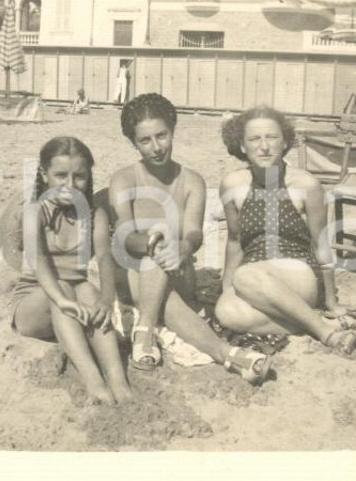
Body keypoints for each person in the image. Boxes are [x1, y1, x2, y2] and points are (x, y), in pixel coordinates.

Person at [108, 93, 272, 384]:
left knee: (164, 254)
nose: (156, 147)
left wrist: (182, 247)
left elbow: (194, 233)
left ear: (173, 131)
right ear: (133, 143)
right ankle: (227, 354)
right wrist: (151, 243)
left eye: (162, 136)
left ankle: (144, 328)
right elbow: (124, 236)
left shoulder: (191, 180)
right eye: (145, 141)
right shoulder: (125, 178)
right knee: (155, 250)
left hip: (177, 269)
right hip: (130, 272)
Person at [213, 106, 356, 356]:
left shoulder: (306, 184)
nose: (264, 146)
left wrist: (331, 302)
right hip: (256, 279)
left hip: (299, 273)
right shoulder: (232, 184)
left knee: (244, 276)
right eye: (254, 139)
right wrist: (226, 289)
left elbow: (320, 243)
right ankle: (307, 323)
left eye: (272, 137)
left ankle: (326, 332)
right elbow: (235, 241)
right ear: (241, 146)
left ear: (284, 142)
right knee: (225, 312)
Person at [8, 137, 132, 405]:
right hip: (35, 305)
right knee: (67, 287)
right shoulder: (33, 212)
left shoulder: (94, 214)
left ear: (88, 177)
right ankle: (92, 379)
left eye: (79, 177)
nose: (70, 185)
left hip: (73, 302)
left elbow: (105, 258)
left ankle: (117, 378)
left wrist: (106, 299)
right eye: (60, 176)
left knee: (89, 289)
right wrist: (63, 299)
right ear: (44, 174)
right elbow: (40, 263)